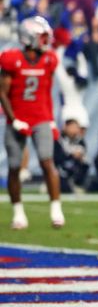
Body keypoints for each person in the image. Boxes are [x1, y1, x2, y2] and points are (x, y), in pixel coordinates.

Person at [0, 16, 64, 229]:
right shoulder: (12, 59)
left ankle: (56, 209)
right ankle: (18, 213)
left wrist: (52, 120)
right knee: (15, 166)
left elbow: (46, 93)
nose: (46, 41)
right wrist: (13, 119)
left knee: (47, 162)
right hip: (17, 117)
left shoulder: (49, 60)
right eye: (43, 36)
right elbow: (3, 92)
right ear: (29, 37)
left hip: (41, 117)